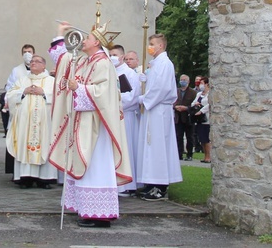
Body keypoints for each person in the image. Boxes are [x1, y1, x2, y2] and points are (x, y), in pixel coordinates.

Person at [49, 20, 132, 228]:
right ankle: (88, 210)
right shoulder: (87, 60)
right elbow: (65, 60)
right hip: (84, 123)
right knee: (86, 164)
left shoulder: (103, 63)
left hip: (97, 127)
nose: (84, 40)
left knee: (96, 165)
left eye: (87, 38)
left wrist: (80, 89)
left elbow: (104, 94)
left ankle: (100, 214)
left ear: (97, 42)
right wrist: (60, 35)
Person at [136, 34, 182, 201]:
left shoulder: (165, 64)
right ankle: (150, 182)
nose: (150, 47)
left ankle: (160, 186)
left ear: (161, 46)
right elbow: (154, 83)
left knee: (158, 147)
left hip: (159, 109)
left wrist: (144, 99)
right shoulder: (156, 64)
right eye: (149, 44)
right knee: (150, 146)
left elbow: (162, 88)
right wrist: (146, 78)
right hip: (152, 109)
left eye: (152, 44)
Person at [6, 55, 57, 189]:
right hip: (25, 123)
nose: (33, 63)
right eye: (32, 61)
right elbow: (10, 95)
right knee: (24, 145)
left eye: (37, 61)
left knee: (45, 144)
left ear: (44, 65)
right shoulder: (22, 80)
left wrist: (44, 92)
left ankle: (44, 179)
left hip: (45, 123)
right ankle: (25, 178)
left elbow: (60, 97)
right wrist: (23, 91)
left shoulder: (51, 81)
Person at [109, 45, 140, 196]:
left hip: (125, 115)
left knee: (127, 149)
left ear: (121, 57)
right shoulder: (110, 72)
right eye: (109, 54)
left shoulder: (129, 74)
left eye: (114, 54)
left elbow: (131, 97)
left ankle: (129, 185)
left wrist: (112, 100)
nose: (111, 57)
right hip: (112, 116)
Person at [4, 44, 34, 172]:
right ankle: (16, 171)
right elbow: (10, 88)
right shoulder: (16, 71)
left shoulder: (44, 71)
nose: (27, 54)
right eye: (25, 52)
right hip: (20, 110)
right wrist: (23, 92)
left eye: (30, 51)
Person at [174, 74, 197, 161]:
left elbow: (194, 105)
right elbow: (172, 101)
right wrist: (175, 107)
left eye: (184, 80)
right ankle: (179, 154)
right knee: (178, 136)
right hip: (178, 117)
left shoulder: (193, 92)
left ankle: (189, 154)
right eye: (181, 79)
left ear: (188, 81)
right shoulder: (176, 91)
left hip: (188, 118)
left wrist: (186, 108)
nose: (182, 81)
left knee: (189, 137)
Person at [192, 77, 211, 164]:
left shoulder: (210, 94)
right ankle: (205, 155)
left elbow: (209, 104)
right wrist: (195, 104)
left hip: (206, 118)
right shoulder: (199, 94)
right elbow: (193, 103)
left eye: (202, 83)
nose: (201, 85)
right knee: (202, 138)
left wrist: (201, 111)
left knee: (206, 138)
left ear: (207, 84)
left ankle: (208, 156)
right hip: (199, 119)